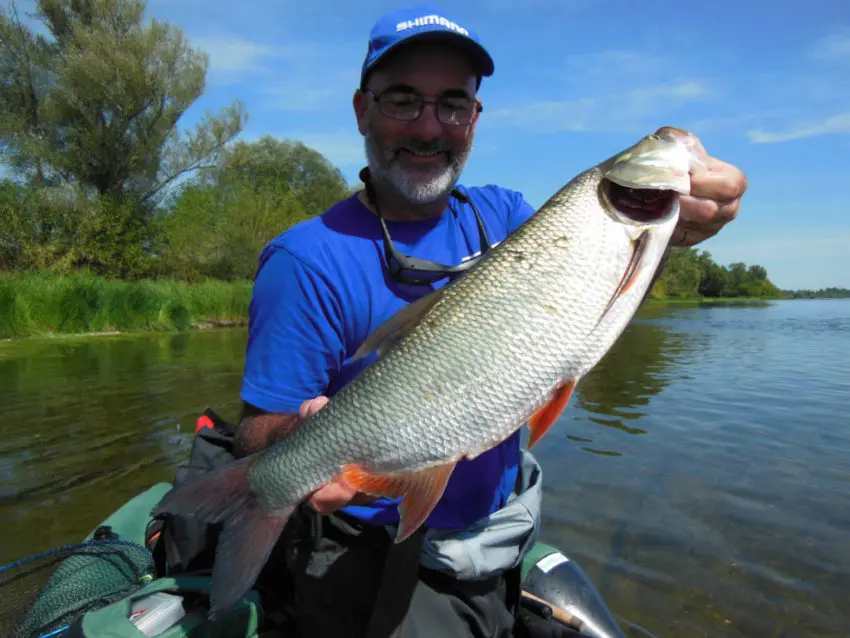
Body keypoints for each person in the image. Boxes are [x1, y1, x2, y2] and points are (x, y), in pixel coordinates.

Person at [235, 4, 748, 637]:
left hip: (500, 537)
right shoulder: (303, 259)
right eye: (402, 100)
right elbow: (254, 433)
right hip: (372, 554)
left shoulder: (506, 216)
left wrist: (669, 239)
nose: (429, 126)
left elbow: (593, 310)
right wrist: (298, 449)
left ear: (475, 119)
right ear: (362, 109)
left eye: (453, 104)